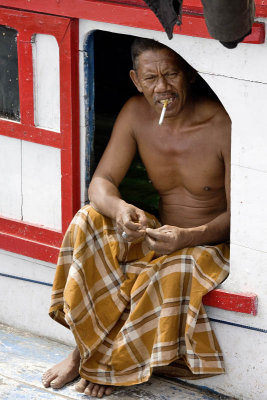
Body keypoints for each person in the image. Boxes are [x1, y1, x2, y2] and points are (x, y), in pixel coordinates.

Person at [42, 38, 230, 398]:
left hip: (208, 243)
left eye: (171, 74)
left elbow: (241, 217)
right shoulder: (135, 113)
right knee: (89, 219)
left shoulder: (221, 123)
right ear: (134, 80)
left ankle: (105, 365)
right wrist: (120, 210)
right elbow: (102, 182)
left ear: (189, 74)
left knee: (166, 273)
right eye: (151, 78)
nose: (163, 88)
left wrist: (186, 238)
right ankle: (83, 347)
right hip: (161, 233)